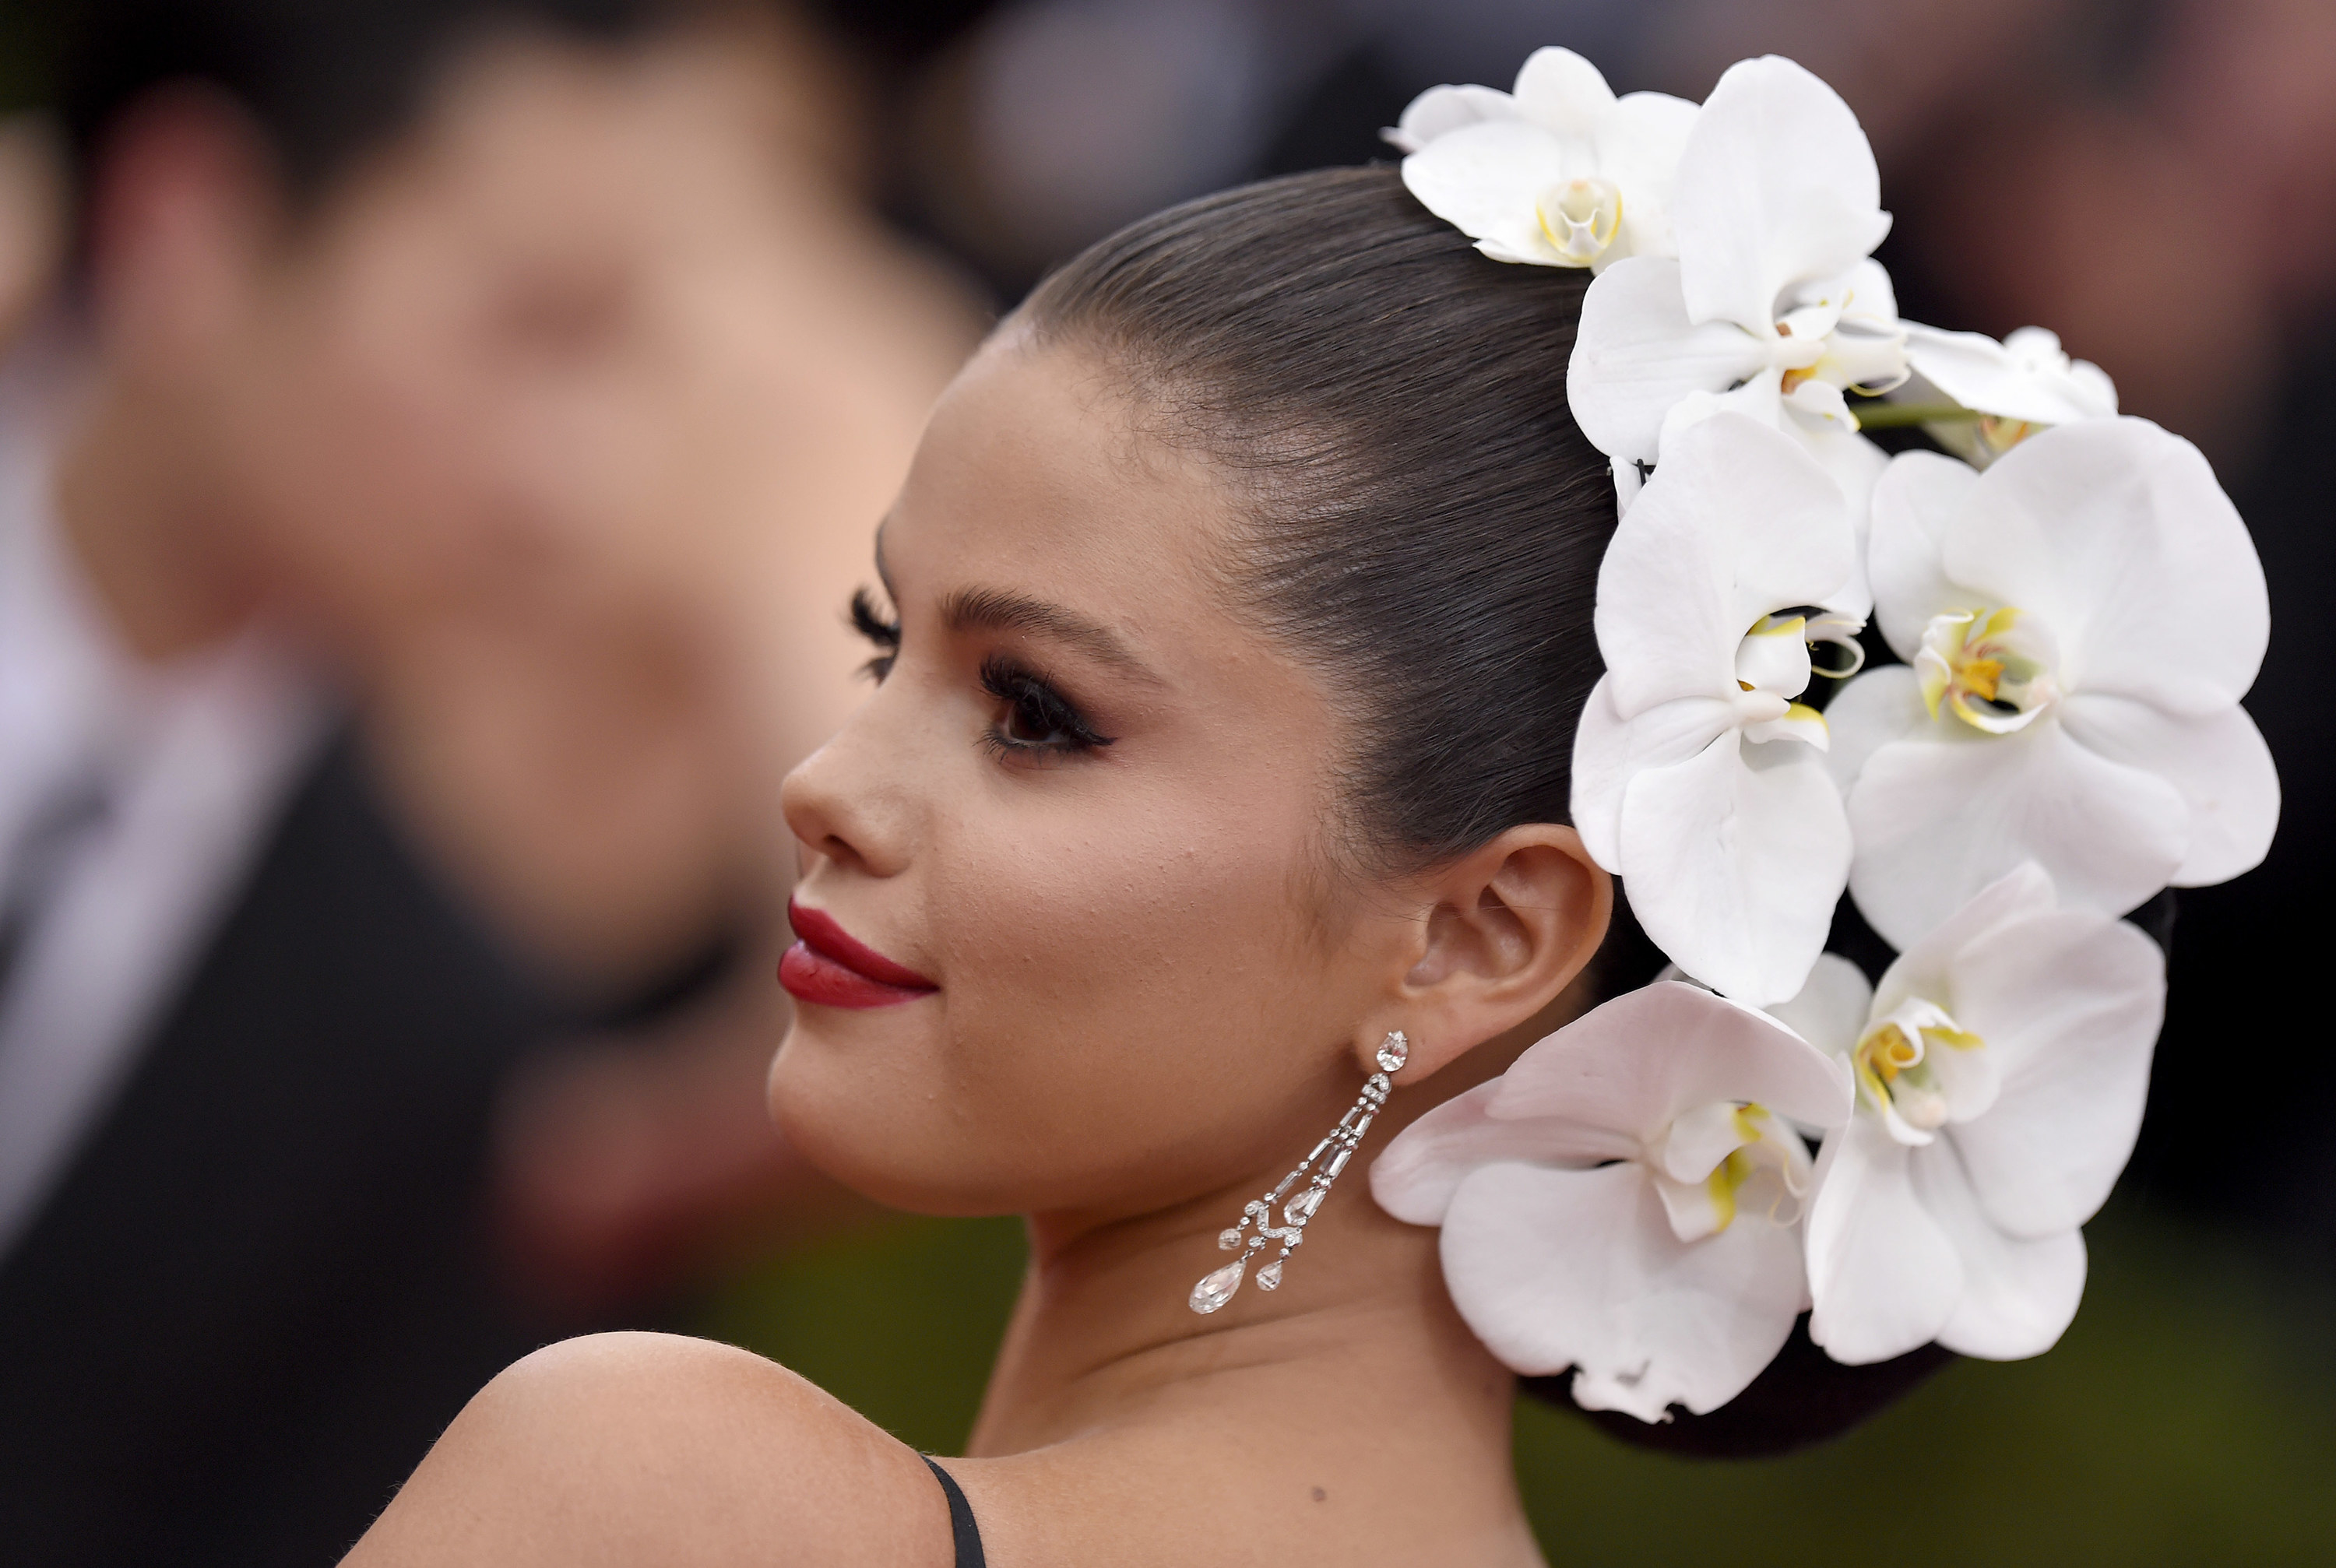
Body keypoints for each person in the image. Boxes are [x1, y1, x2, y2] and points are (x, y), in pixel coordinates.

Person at [343, 46, 2273, 1566]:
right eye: (882, 639)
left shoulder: (666, 1507)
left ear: (1480, 930)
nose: (825, 783)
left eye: (1030, 710)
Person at [0, 2, 976, 1560]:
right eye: (527, 329)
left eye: (619, 355)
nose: (570, 472)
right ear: (187, 229)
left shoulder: (426, 1028)